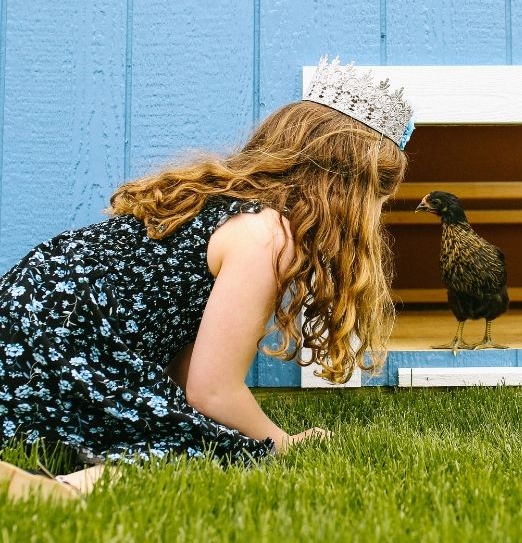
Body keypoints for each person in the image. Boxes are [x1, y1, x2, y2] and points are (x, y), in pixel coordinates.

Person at [0, 57, 415, 500]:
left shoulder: (226, 200)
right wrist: (280, 442)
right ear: (349, 192)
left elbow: (188, 365)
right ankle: (57, 492)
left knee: (184, 426)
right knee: (214, 451)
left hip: (32, 314)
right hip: (64, 334)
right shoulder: (266, 236)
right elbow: (211, 390)